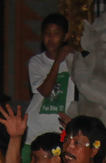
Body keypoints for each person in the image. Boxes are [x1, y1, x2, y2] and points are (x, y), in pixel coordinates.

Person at [24, 14, 77, 148]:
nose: (51, 38)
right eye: (47, 34)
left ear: (65, 36)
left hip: (61, 129)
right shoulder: (37, 62)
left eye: (56, 34)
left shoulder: (75, 62)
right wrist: (58, 61)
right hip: (36, 129)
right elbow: (45, 91)